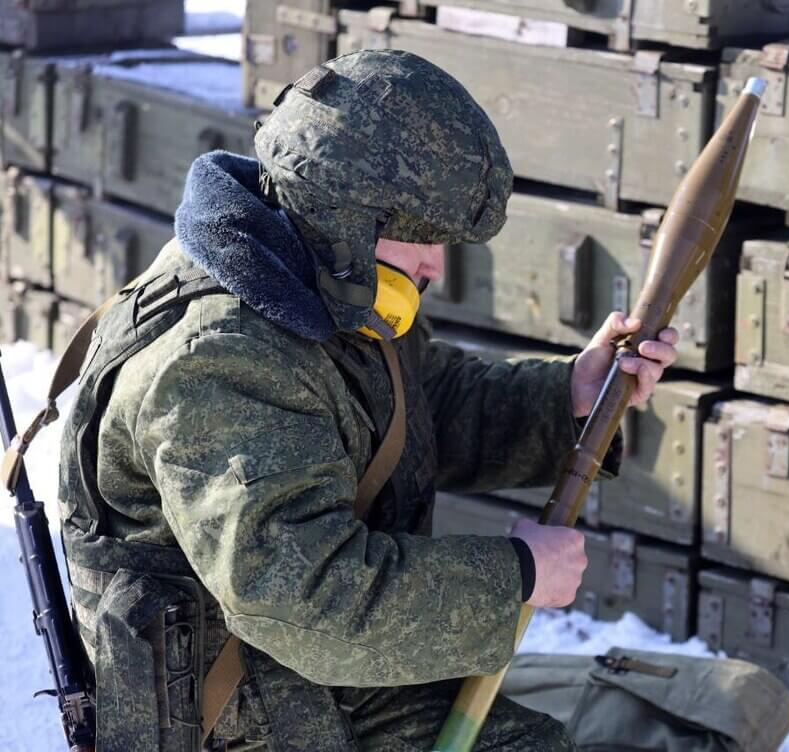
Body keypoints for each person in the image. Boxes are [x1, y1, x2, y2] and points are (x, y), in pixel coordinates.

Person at [56, 49, 678, 751]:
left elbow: (410, 405)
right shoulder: (218, 361)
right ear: (344, 216)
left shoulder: (310, 279)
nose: (435, 265)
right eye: (420, 238)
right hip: (241, 710)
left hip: (316, 669)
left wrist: (566, 397)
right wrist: (516, 576)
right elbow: (306, 593)